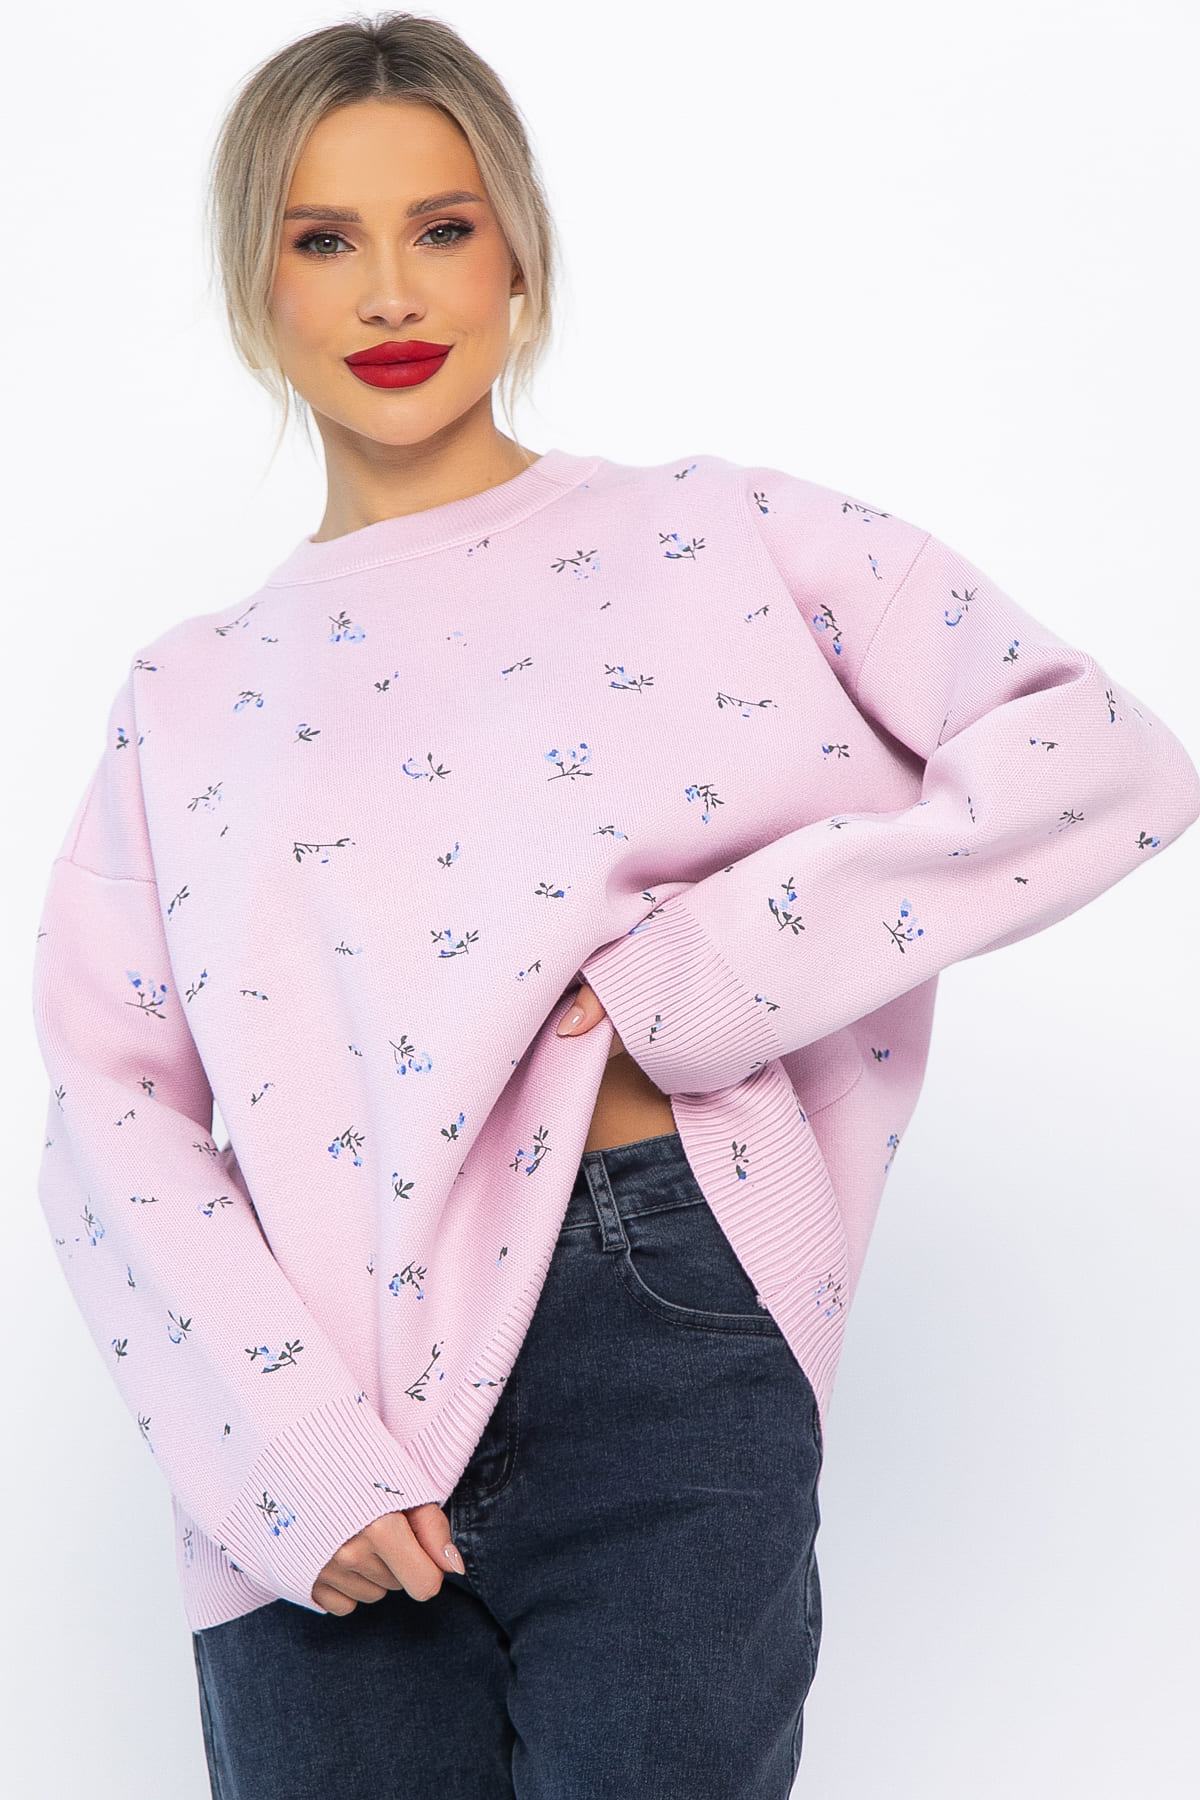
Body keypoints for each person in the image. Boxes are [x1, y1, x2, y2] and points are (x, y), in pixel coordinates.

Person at [28, 12, 1200, 1800]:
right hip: (309, 1396)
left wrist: (718, 967)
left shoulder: (719, 536)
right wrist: (283, 1451)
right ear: (257, 285)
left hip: (663, 1325)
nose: (390, 290)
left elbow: (1098, 754)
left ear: (518, 252)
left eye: (442, 226)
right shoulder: (186, 695)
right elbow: (109, 1107)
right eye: (323, 239)